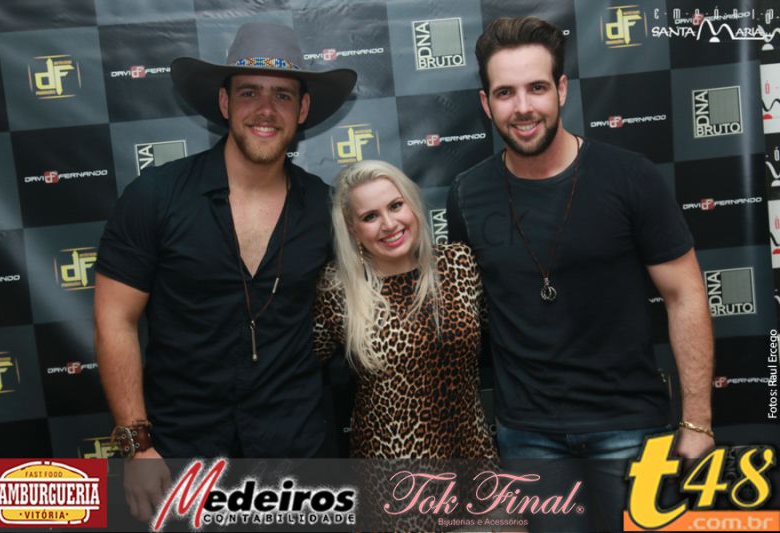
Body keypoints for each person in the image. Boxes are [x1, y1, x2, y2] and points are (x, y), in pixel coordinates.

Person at [446, 16, 714, 531]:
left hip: (631, 428)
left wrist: (697, 422)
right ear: (486, 103)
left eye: (537, 87)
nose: (523, 107)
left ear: (562, 90)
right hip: (528, 437)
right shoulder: (466, 194)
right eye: (505, 93)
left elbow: (685, 295)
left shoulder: (629, 176)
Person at [94, 22, 356, 520]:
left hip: (296, 459)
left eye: (283, 95)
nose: (266, 109)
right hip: (179, 458)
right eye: (249, 92)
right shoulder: (155, 197)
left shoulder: (326, 208)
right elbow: (115, 320)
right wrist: (137, 445)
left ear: (302, 109)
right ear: (224, 102)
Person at [314, 159, 496, 460]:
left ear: (412, 205)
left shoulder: (458, 263)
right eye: (370, 216)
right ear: (353, 229)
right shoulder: (338, 289)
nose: (389, 224)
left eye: (396, 206)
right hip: (390, 472)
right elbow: (299, 366)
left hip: (473, 459)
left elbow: (508, 332)